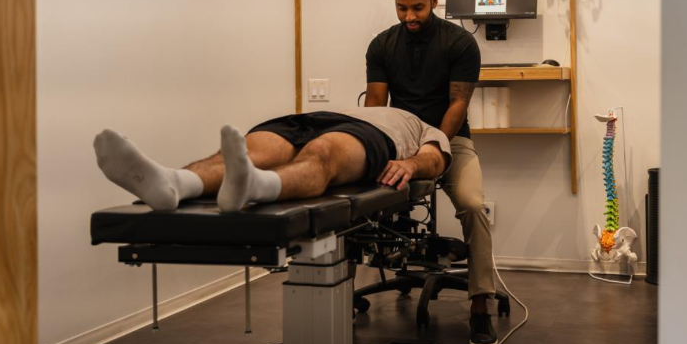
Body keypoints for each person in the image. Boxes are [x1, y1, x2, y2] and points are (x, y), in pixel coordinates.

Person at [365, 0, 498, 344]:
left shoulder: (460, 43)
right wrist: (381, 152)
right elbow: (376, 105)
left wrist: (433, 148)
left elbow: (458, 105)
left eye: (418, 8)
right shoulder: (381, 45)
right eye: (402, 8)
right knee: (362, 200)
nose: (410, 16)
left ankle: (480, 305)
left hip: (451, 139)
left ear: (434, 1)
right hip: (401, 140)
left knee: (474, 206)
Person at [93, 107, 451, 213]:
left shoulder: (424, 125)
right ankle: (172, 182)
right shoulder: (369, 99)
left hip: (373, 135)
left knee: (322, 155)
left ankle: (255, 185)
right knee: (249, 152)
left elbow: (434, 160)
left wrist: (411, 165)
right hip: (310, 116)